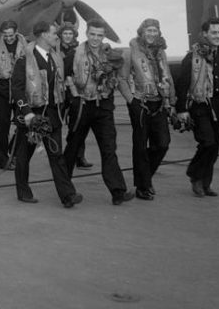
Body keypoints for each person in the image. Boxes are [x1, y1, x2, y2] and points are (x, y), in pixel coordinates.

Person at [10, 21, 83, 208]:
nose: (56, 36)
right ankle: (23, 191)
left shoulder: (55, 57)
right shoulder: (24, 58)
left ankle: (68, 195)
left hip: (52, 114)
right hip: (32, 115)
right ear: (42, 35)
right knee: (24, 155)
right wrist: (26, 112)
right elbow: (17, 88)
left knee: (56, 155)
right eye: (53, 33)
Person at [64, 19, 134, 206]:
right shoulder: (74, 54)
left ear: (104, 37)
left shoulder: (110, 54)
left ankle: (118, 191)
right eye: (92, 34)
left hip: (103, 106)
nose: (95, 39)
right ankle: (65, 191)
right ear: (87, 34)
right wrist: (74, 97)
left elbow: (118, 78)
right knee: (73, 147)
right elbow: (65, 77)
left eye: (100, 35)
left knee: (109, 148)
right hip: (82, 105)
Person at [175, 17, 219, 198]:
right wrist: (181, 109)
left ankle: (206, 184)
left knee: (214, 147)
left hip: (217, 104)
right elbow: (182, 83)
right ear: (205, 34)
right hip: (199, 104)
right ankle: (195, 175)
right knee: (207, 142)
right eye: (214, 33)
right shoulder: (193, 57)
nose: (217, 36)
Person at [117, 18, 176, 200]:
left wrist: (172, 100)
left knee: (162, 143)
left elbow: (168, 76)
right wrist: (131, 100)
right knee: (141, 146)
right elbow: (122, 79)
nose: (151, 34)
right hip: (140, 103)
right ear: (141, 32)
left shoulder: (161, 53)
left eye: (154, 31)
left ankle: (144, 178)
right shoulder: (130, 53)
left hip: (159, 103)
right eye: (148, 30)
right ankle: (143, 186)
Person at [0, 20, 27, 170]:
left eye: (11, 35)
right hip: (3, 90)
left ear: (16, 32)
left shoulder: (27, 46)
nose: (8, 38)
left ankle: (14, 153)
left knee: (23, 125)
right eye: (5, 35)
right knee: (1, 128)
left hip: (20, 90)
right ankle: (3, 160)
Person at [59, 23, 93, 170]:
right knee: (53, 124)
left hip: (74, 91)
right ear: (60, 35)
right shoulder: (54, 49)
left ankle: (79, 157)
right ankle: (58, 156)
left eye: (70, 34)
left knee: (79, 123)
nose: (67, 36)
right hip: (58, 90)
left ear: (74, 35)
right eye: (65, 33)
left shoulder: (79, 50)